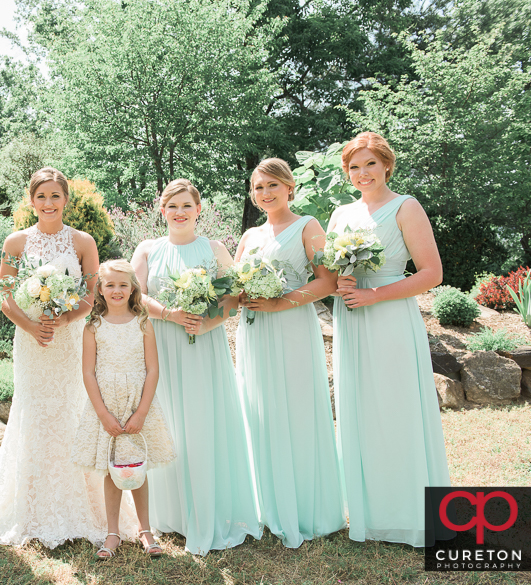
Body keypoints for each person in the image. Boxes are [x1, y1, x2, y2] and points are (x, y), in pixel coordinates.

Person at [0, 168, 136, 547]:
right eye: (42, 197)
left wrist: (67, 317)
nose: (49, 203)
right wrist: (31, 326)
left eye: (56, 196)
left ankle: (81, 505)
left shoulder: (83, 241)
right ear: (31, 200)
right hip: (32, 340)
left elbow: (92, 295)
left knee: (72, 409)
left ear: (66, 199)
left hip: (70, 339)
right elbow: (4, 294)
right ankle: (30, 507)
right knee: (34, 412)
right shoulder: (16, 242)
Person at [328, 132, 450, 546]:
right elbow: (332, 269)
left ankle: (409, 514)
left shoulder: (406, 207)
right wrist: (344, 283)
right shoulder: (340, 214)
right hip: (350, 317)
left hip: (390, 317)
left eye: (370, 164)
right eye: (354, 167)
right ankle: (369, 514)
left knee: (395, 409)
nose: (362, 173)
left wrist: (373, 294)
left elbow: (431, 273)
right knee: (359, 409)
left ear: (386, 166)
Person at [130, 178, 261, 555]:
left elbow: (235, 297)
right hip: (161, 348)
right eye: (172, 206)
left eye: (187, 205)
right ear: (162, 211)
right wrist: (170, 314)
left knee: (202, 424)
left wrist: (207, 322)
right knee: (167, 425)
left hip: (203, 346)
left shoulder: (216, 249)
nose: (180, 212)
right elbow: (136, 296)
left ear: (198, 210)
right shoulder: (148, 249)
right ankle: (171, 513)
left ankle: (206, 513)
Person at [234, 158, 345, 548]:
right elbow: (234, 287)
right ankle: (268, 505)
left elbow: (328, 281)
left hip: (293, 328)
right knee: (260, 412)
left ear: (288, 187)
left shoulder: (308, 226)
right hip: (254, 334)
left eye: (271, 186)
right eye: (258, 188)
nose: (264, 193)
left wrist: (282, 303)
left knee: (297, 410)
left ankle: (306, 509)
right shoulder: (249, 236)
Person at [71, 260, 176, 558]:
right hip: (106, 405)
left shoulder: (143, 323)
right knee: (112, 469)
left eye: (123, 284)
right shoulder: (93, 326)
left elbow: (152, 369)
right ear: (100, 290)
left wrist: (141, 412)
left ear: (132, 288)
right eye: (110, 285)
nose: (117, 290)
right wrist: (103, 414)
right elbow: (88, 372)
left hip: (135, 402)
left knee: (137, 469)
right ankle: (112, 533)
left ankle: (146, 531)